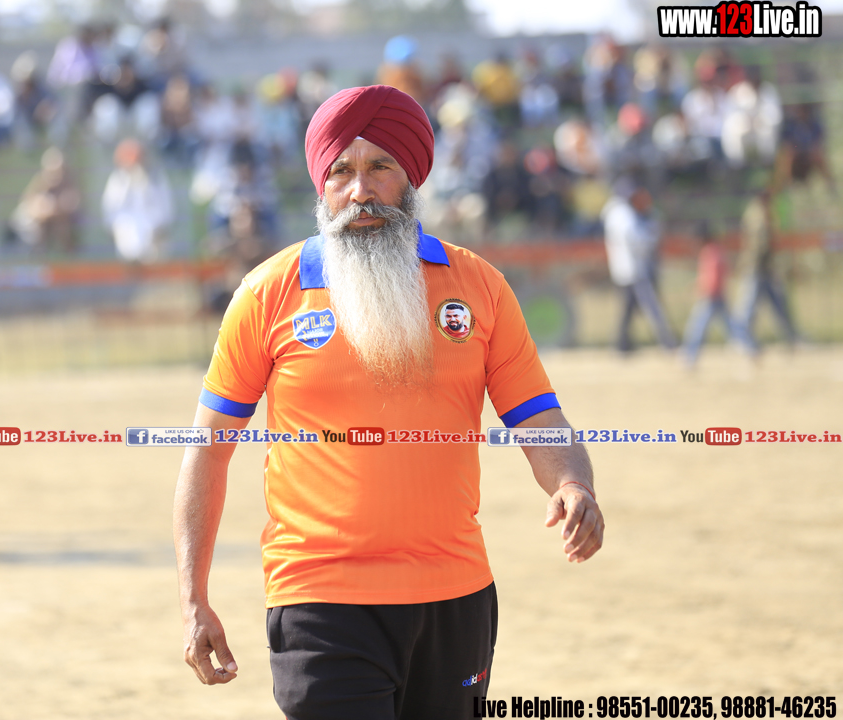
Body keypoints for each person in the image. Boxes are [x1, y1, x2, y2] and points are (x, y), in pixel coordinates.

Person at [173, 85, 604, 719]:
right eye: (341, 171)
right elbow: (207, 451)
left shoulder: (479, 286)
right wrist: (193, 599)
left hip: (457, 598)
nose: (360, 190)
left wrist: (572, 483)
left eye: (381, 167)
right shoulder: (267, 294)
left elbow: (537, 415)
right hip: (319, 600)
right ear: (321, 185)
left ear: (412, 178)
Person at [602, 185, 677, 353]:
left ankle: (623, 345)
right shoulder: (623, 215)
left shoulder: (613, 214)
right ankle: (667, 342)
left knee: (628, 310)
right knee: (651, 307)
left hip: (622, 270)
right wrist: (652, 237)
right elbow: (638, 240)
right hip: (635, 270)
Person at [734, 189, 798, 352]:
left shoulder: (756, 213)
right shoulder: (758, 216)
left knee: (778, 305)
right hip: (757, 269)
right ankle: (742, 340)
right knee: (748, 307)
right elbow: (760, 246)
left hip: (763, 269)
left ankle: (791, 337)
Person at [682, 222, 737, 366]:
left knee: (697, 328)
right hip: (717, 295)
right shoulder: (716, 250)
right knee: (731, 325)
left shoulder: (710, 252)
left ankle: (689, 357)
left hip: (710, 297)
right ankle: (750, 349)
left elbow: (713, 276)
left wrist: (706, 290)